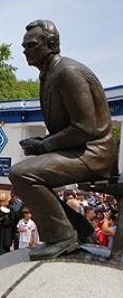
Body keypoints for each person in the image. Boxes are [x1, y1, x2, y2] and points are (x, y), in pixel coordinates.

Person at [9, 19, 117, 261]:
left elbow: (85, 128)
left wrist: (45, 145)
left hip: (94, 152)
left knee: (21, 174)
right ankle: (80, 228)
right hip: (79, 149)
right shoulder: (48, 75)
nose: (25, 50)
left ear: (51, 45)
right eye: (24, 46)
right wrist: (42, 143)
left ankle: (62, 236)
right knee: (27, 173)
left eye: (32, 45)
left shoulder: (67, 73)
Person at [0, 193, 16, 258]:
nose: (1, 202)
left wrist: (4, 219)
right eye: (0, 201)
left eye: (3, 201)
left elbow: (12, 222)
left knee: (3, 253)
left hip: (5, 235)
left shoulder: (10, 209)